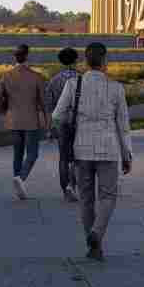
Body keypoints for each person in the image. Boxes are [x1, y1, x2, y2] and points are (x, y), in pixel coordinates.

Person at [51, 42, 132, 261]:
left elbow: (57, 116)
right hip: (108, 150)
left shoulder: (73, 84)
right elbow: (123, 126)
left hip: (81, 149)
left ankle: (93, 245)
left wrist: (74, 120)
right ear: (105, 61)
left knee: (86, 199)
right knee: (108, 196)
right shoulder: (116, 88)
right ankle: (97, 233)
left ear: (86, 61)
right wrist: (127, 155)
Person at [0, 44, 49, 199]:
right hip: (31, 121)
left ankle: (17, 185)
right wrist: (47, 121)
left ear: (15, 57)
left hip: (13, 121)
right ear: (27, 56)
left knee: (17, 154)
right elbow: (44, 103)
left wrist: (5, 111)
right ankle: (21, 178)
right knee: (32, 154)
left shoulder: (6, 76)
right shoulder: (36, 77)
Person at [44, 47, 81, 201]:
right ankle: (73, 185)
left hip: (60, 123)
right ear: (76, 60)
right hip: (78, 122)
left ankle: (65, 190)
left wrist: (50, 127)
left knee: (63, 157)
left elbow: (49, 105)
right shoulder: (81, 78)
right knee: (78, 156)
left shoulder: (54, 80)